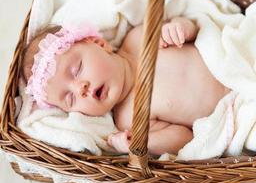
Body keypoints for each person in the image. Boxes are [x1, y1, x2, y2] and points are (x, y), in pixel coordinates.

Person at [22, 17, 230, 155]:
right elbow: (184, 138)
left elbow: (194, 29)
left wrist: (181, 28)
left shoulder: (138, 38)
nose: (80, 88)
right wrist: (140, 144)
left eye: (77, 70)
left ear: (99, 43)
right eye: (70, 98)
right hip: (235, 106)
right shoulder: (129, 118)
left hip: (232, 58)